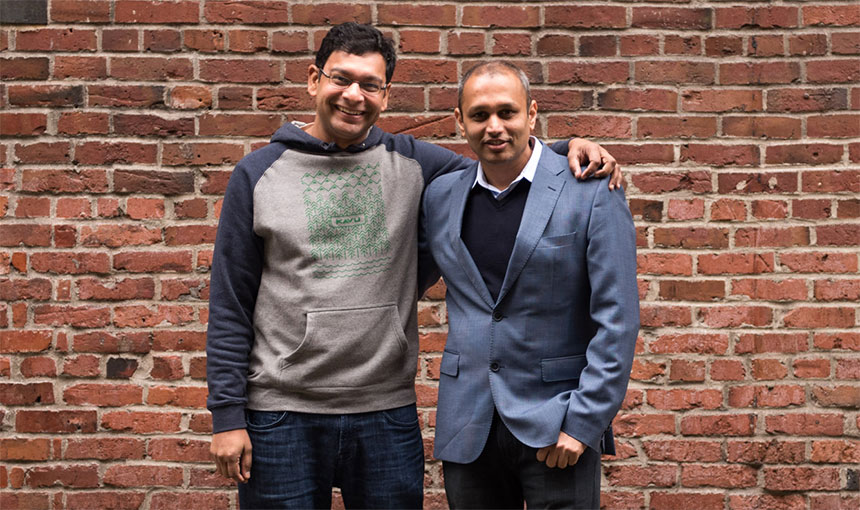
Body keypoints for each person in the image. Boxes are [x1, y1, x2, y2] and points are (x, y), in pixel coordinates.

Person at [206, 23, 621, 509]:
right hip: (280, 414)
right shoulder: (257, 174)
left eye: (371, 85)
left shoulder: (416, 164)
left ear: (386, 95)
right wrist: (227, 416)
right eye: (342, 79)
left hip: (385, 412)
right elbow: (230, 304)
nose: (354, 95)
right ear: (314, 80)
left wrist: (566, 146)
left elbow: (500, 159)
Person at [418, 62, 639, 509]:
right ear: (459, 121)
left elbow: (617, 319)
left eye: (508, 113)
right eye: (479, 115)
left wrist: (584, 423)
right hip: (468, 424)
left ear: (532, 113)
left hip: (558, 422)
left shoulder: (591, 190)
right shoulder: (440, 196)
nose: (494, 127)